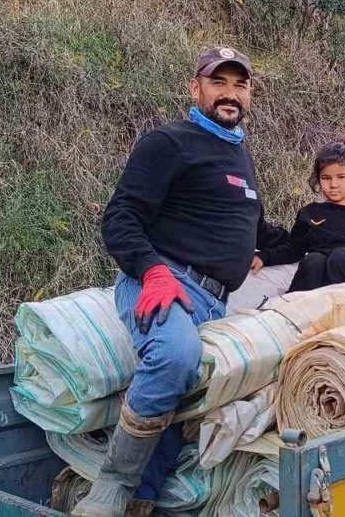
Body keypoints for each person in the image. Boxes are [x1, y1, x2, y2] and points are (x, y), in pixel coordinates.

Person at [76, 46, 280, 517]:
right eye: (218, 82)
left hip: (214, 300)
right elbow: (121, 216)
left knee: (193, 384)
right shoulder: (169, 142)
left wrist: (324, 237)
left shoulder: (239, 156)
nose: (230, 94)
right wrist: (151, 270)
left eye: (240, 85)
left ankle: (141, 498)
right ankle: (113, 482)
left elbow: (257, 231)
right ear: (195, 88)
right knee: (175, 355)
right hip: (164, 282)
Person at [252, 139, 345, 292]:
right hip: (321, 279)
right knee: (313, 260)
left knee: (340, 256)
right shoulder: (310, 213)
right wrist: (264, 257)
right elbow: (293, 249)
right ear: (318, 180)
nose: (333, 184)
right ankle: (295, 303)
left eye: (341, 177)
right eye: (326, 178)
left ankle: (337, 303)